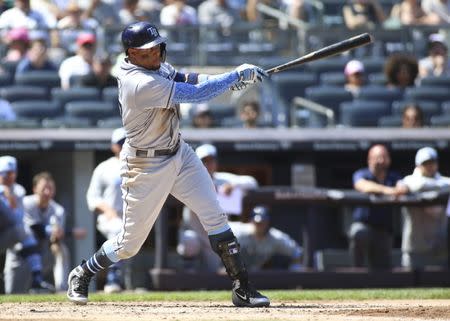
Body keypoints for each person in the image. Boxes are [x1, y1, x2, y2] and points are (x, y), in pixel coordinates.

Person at [66, 21, 269, 308]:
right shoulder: (139, 83)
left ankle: (243, 288)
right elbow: (195, 94)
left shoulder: (157, 66)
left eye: (156, 49)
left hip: (179, 153)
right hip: (145, 166)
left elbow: (189, 78)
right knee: (129, 244)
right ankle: (83, 271)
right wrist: (233, 77)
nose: (153, 56)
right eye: (145, 52)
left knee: (214, 215)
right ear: (131, 54)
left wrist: (229, 78)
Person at [177, 143, 259, 272]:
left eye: (211, 160)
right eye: (204, 161)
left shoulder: (223, 179)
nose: (207, 164)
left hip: (219, 232)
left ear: (216, 162)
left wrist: (233, 185)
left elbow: (252, 182)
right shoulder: (189, 179)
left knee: (249, 230)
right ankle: (188, 277)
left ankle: (250, 270)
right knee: (189, 240)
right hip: (198, 235)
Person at [7, 172, 86, 292]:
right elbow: (34, 229)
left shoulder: (58, 210)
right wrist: (70, 232)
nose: (48, 192)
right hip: (20, 257)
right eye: (44, 188)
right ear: (34, 189)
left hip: (42, 256)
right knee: (12, 294)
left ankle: (62, 288)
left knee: (60, 248)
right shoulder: (25, 203)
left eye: (51, 188)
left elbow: (55, 238)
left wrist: (58, 235)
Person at [0, 156, 55, 293]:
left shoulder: (17, 191)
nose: (10, 178)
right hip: (13, 245)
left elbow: (16, 219)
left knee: (23, 231)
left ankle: (37, 278)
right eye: (6, 174)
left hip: (10, 239)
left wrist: (8, 200)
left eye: (12, 174)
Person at [348, 144, 407, 270]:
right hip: (364, 224)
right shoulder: (362, 174)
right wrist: (389, 191)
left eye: (384, 157)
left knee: (383, 271)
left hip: (384, 229)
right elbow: (362, 185)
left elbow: (402, 188)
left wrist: (398, 189)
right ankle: (355, 276)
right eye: (377, 157)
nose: (381, 161)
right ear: (370, 159)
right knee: (358, 233)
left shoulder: (394, 176)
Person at [86, 128, 127, 293]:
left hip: (131, 217)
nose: (125, 145)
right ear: (114, 146)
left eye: (127, 142)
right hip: (110, 217)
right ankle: (113, 278)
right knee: (119, 233)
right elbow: (92, 197)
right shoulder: (105, 167)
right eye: (121, 143)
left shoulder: (141, 164)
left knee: (129, 243)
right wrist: (108, 209)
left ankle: (125, 281)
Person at [396, 147, 450, 269]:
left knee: (440, 285)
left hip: (439, 247)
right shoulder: (408, 181)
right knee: (410, 286)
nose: (430, 166)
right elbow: (412, 185)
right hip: (415, 247)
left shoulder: (445, 182)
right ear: (418, 165)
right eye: (425, 163)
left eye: (432, 162)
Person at [231, 206, 303, 271]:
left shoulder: (275, 237)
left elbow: (297, 252)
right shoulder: (239, 233)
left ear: (268, 222)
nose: (259, 225)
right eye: (257, 223)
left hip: (253, 274)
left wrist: (295, 268)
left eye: (262, 222)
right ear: (251, 221)